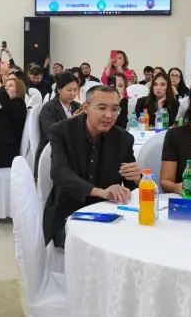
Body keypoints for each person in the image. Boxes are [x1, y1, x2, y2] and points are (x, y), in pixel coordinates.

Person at [43, 86, 138, 249]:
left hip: (109, 215)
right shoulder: (62, 131)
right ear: (86, 107)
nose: (109, 115)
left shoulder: (124, 139)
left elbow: (131, 188)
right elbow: (60, 173)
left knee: (131, 243)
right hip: (67, 213)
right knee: (100, 246)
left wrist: (137, 179)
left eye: (115, 109)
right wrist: (101, 192)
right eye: (102, 108)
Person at [36, 71, 80, 169]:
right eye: (69, 90)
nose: (73, 93)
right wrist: (70, 121)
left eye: (75, 90)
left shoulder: (77, 106)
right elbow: (51, 133)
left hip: (73, 150)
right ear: (59, 89)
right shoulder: (49, 108)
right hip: (53, 153)